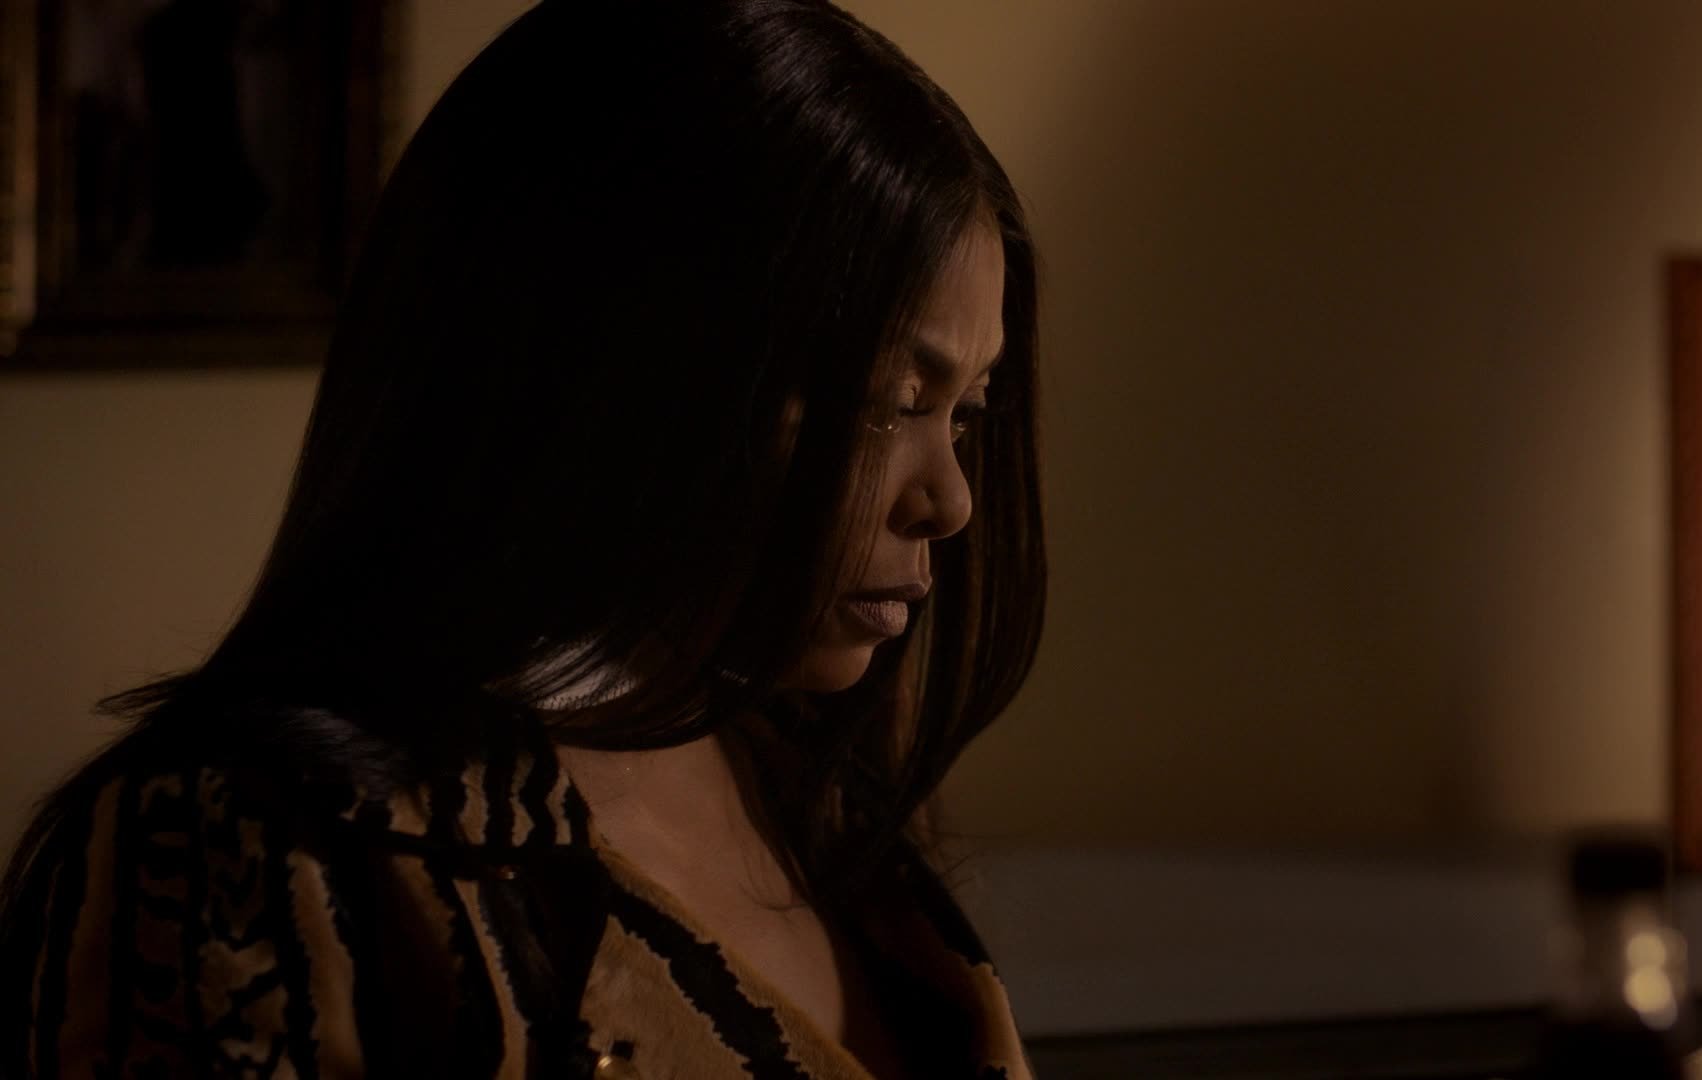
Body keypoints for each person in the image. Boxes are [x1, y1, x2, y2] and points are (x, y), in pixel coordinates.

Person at [0, 0, 1044, 1075]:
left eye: (965, 413)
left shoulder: (815, 787)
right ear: (619, 372)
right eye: (890, 402)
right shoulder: (253, 848)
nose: (952, 500)